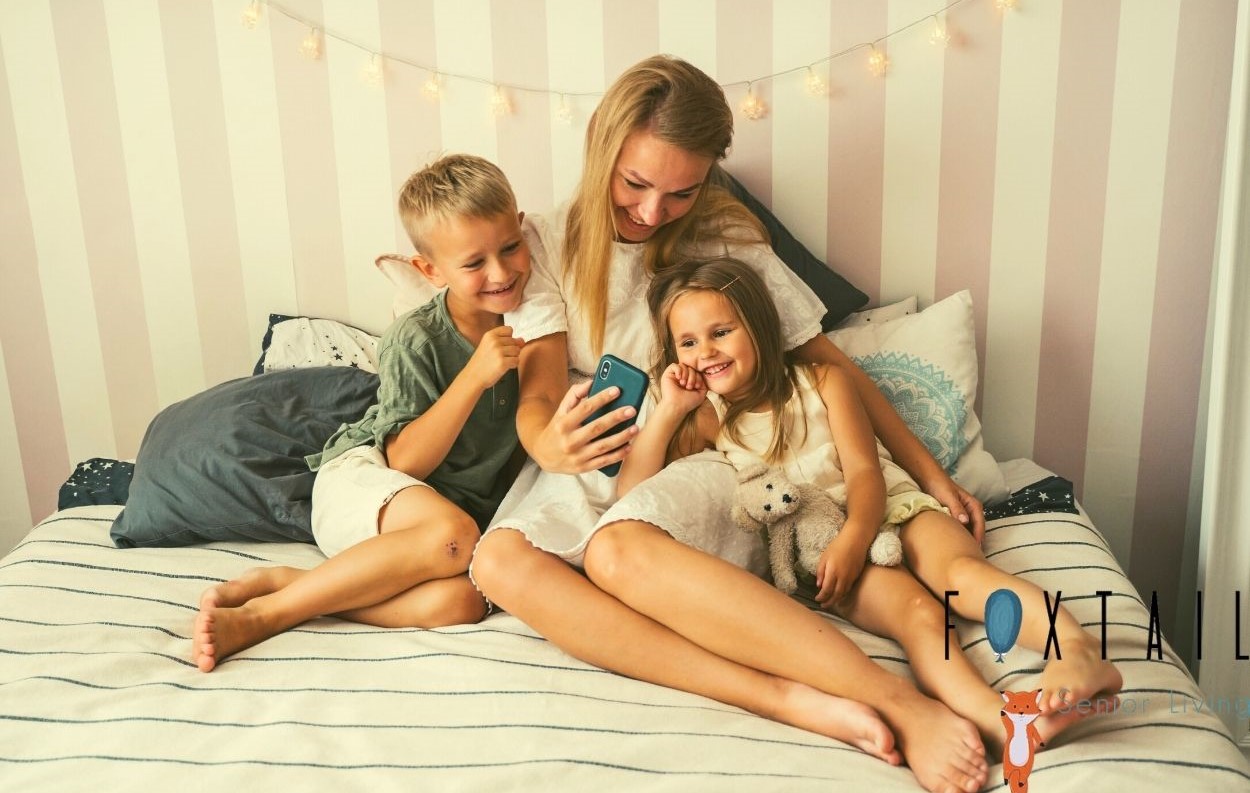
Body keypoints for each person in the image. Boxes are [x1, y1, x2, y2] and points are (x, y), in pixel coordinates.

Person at [468, 55, 997, 793]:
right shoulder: (547, 241)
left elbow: (828, 365)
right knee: (495, 563)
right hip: (594, 461)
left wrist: (936, 475)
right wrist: (544, 439)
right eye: (635, 185)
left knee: (615, 557)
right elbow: (538, 392)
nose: (654, 212)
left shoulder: (720, 231)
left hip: (700, 456)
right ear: (600, 146)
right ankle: (786, 697)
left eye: (680, 191)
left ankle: (896, 701)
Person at [620, 255, 1124, 757]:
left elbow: (864, 471)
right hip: (825, 550)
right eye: (688, 342)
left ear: (757, 324)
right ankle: (1001, 721)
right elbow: (630, 498)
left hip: (891, 507)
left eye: (720, 332)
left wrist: (857, 536)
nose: (705, 352)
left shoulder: (821, 381)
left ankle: (1076, 649)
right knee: (920, 617)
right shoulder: (710, 420)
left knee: (962, 576)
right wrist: (669, 412)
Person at [192, 154, 530, 672]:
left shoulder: (541, 325)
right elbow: (405, 463)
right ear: (430, 270)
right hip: (367, 484)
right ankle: (270, 616)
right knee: (455, 537)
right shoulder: (416, 338)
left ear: (524, 228)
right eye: (474, 263)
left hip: (438, 532)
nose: (501, 272)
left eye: (510, 248)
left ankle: (297, 586)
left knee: (460, 603)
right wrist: (474, 377)